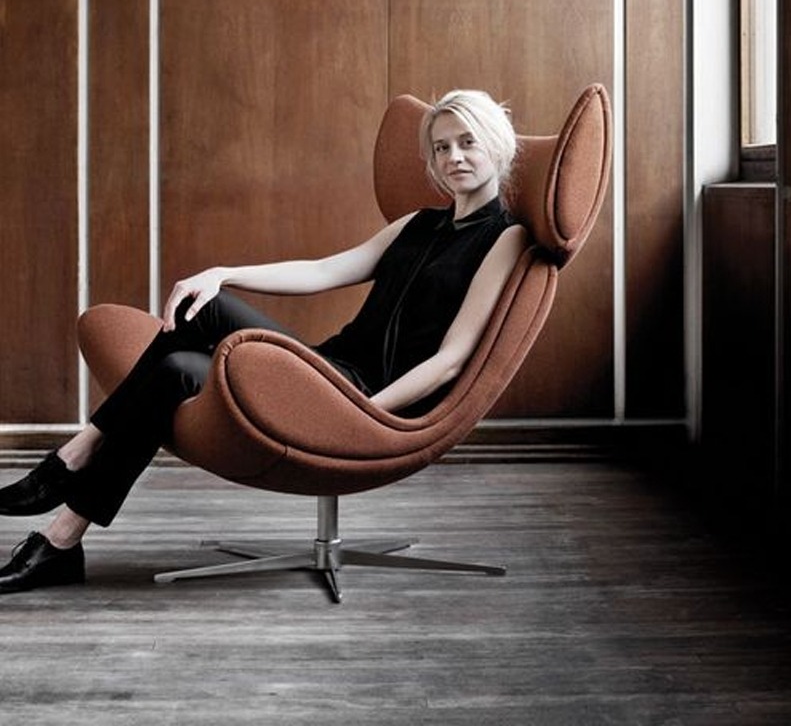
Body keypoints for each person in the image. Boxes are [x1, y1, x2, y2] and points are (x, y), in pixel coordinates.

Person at [0, 90, 527, 594]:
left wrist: (369, 411)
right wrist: (225, 272)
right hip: (328, 370)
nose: (454, 157)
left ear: (496, 145)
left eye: (467, 142)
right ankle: (62, 539)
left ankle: (73, 456)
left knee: (208, 311)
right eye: (441, 147)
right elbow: (324, 271)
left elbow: (451, 361)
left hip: (366, 398)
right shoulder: (419, 224)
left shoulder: (506, 238)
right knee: (174, 367)